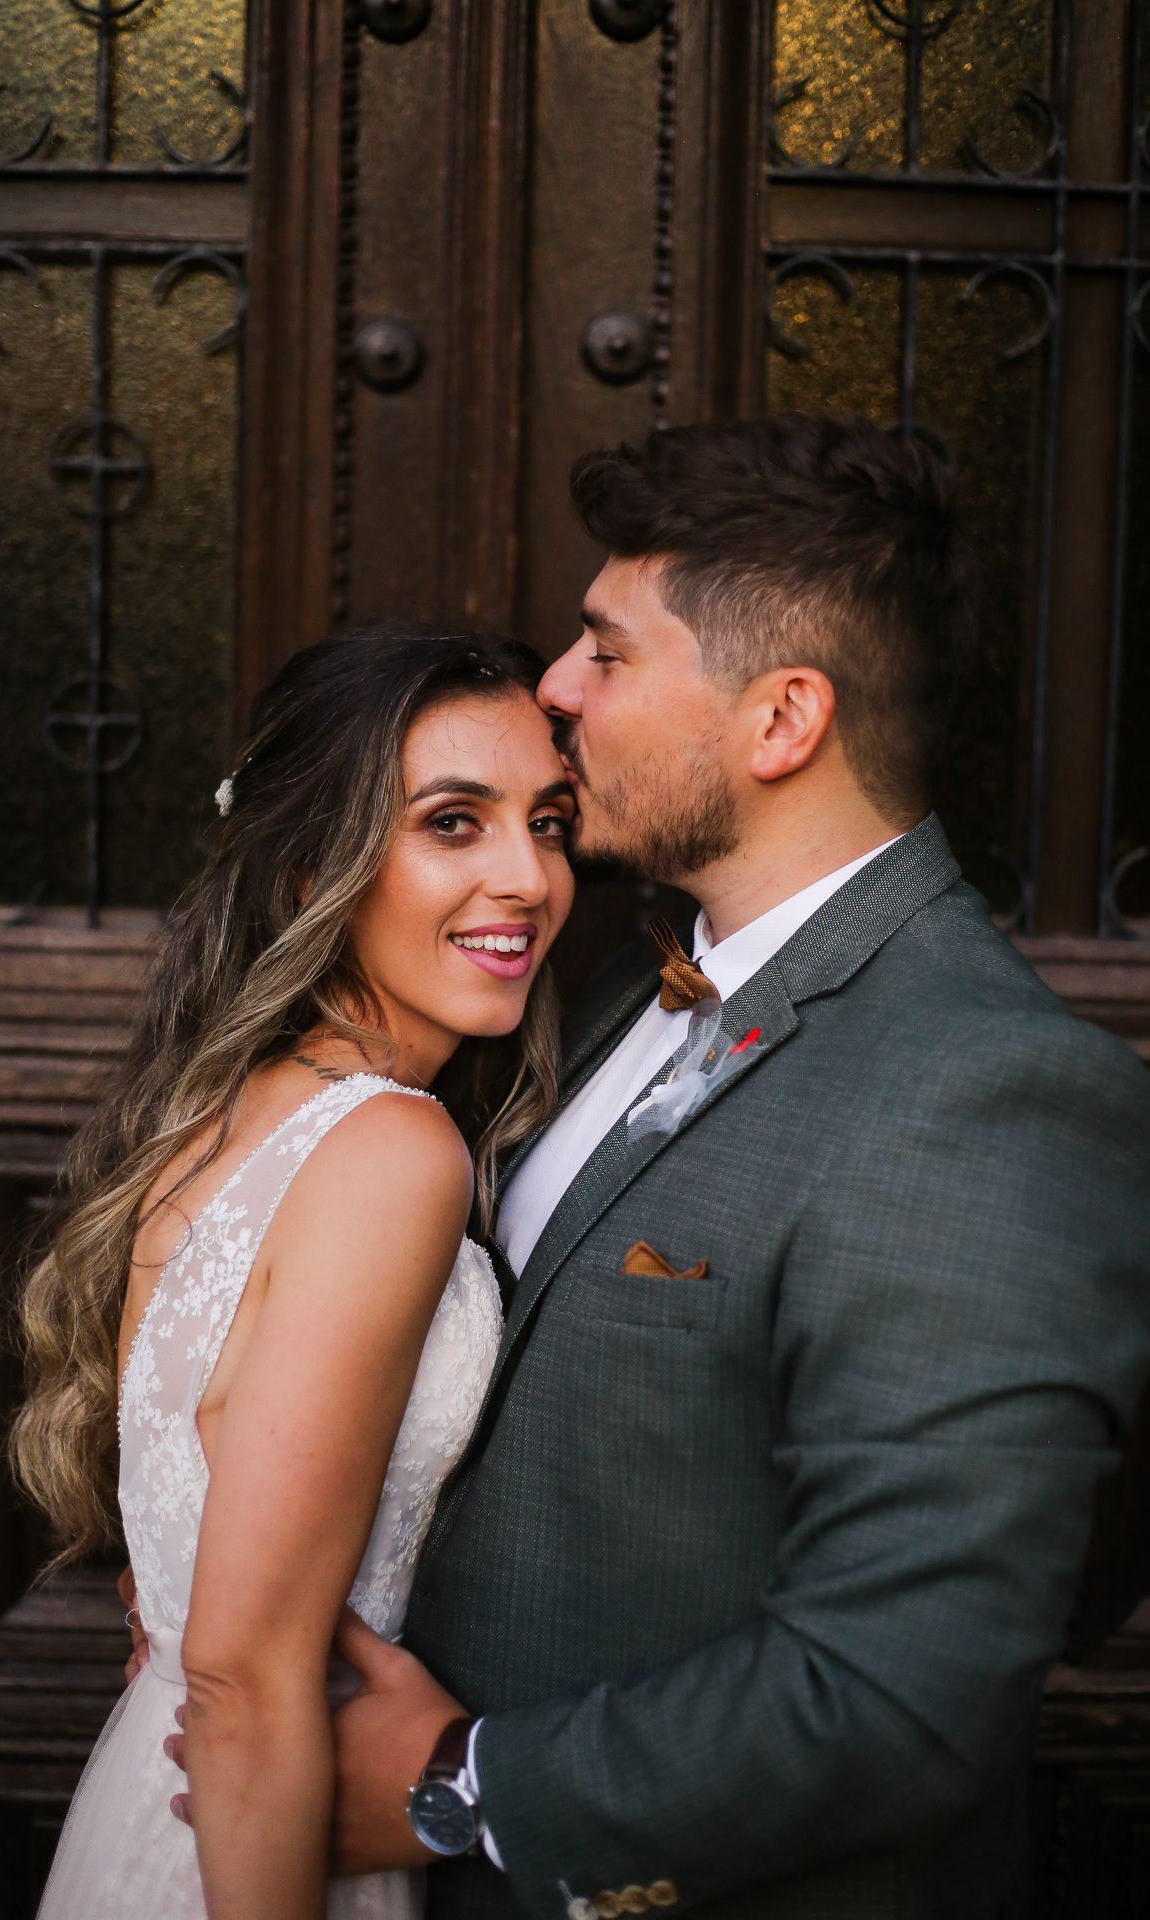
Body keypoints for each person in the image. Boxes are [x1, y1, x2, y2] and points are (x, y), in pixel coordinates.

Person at [299, 417, 1150, 1919]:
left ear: (781, 722)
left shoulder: (991, 1096)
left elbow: (905, 1694)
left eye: (608, 652)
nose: (557, 688)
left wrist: (468, 1789)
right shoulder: (606, 979)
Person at [11, 624, 577, 1920]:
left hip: (171, 1794)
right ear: (314, 863)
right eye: (453, 822)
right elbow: (243, 1676)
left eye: (548, 823)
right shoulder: (392, 1150)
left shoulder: (232, 1109)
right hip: (254, 1832)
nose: (528, 878)